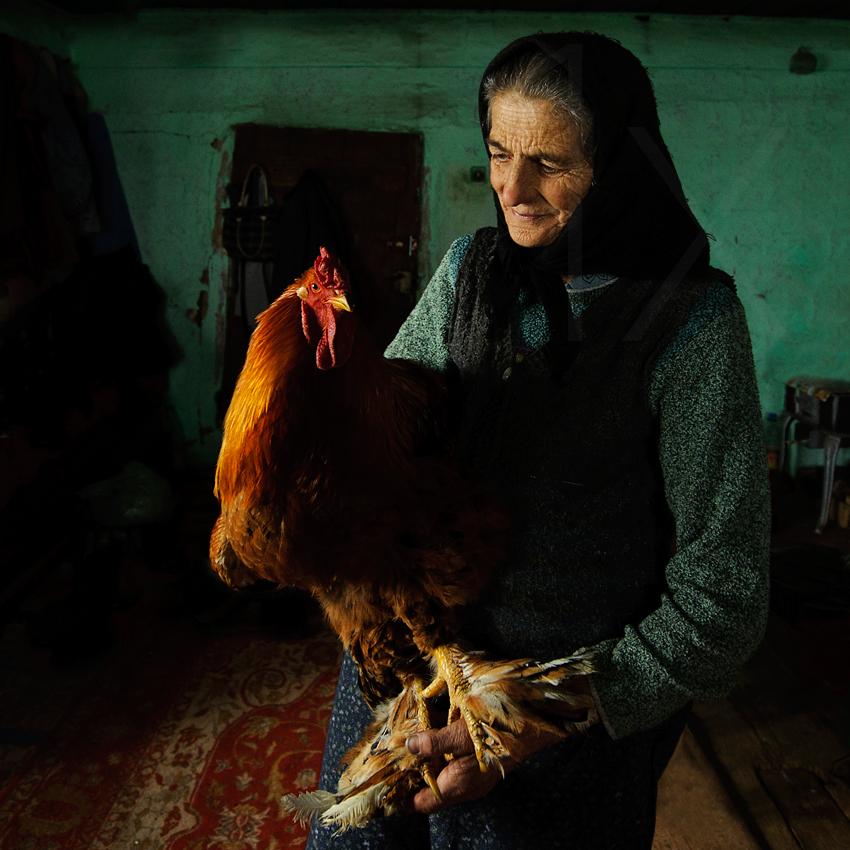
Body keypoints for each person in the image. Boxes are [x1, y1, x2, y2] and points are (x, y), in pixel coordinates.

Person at [307, 30, 769, 850]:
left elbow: (724, 598)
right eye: (497, 153)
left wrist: (539, 718)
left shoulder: (689, 323)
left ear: (616, 167)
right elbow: (385, 441)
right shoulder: (469, 272)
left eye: (550, 163)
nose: (512, 189)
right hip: (413, 666)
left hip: (563, 718)